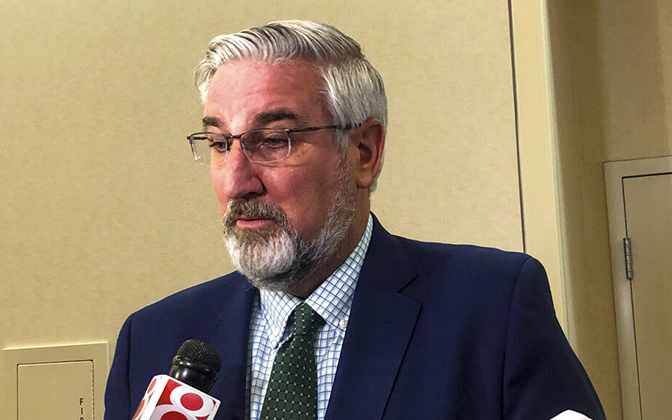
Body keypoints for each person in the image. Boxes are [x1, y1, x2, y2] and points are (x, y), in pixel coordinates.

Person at [105, 20, 606, 420]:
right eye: (219, 144)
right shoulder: (153, 338)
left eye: (274, 141)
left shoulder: (493, 307)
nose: (236, 182)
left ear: (363, 151)